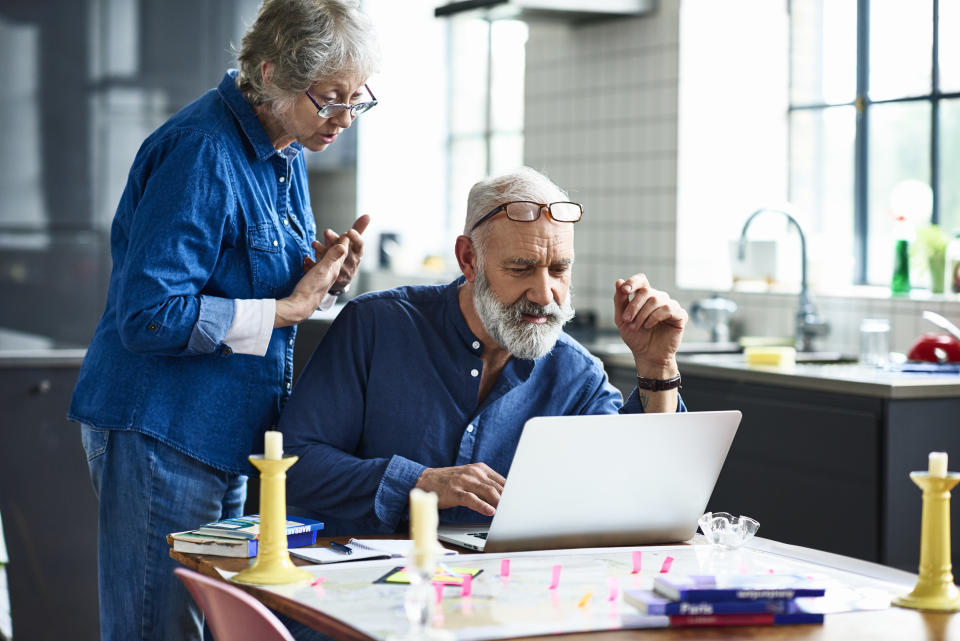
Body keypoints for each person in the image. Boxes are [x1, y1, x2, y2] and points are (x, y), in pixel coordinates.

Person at [67, 1, 380, 639]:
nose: (345, 119)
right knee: (156, 632)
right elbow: (150, 316)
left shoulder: (284, 146)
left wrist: (320, 276)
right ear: (270, 74)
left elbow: (250, 275)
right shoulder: (202, 151)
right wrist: (287, 308)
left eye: (358, 99)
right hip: (162, 429)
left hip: (225, 435)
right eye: (329, 99)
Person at [279, 166, 688, 536]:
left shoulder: (576, 373)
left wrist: (657, 366)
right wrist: (420, 482)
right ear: (468, 259)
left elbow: (635, 489)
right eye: (521, 268)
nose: (544, 293)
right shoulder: (376, 326)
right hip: (358, 588)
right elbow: (291, 464)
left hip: (507, 595)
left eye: (560, 269)